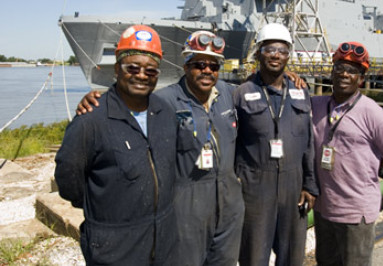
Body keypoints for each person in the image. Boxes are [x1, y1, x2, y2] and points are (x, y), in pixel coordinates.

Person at [77, 30, 245, 266]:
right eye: (199, 64)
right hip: (186, 207)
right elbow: (125, 106)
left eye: (213, 66)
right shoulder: (163, 101)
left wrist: (289, 76)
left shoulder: (228, 94)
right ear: (185, 66)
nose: (207, 70)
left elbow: (261, 86)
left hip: (229, 206)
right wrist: (94, 101)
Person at [55, 25, 177, 265]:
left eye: (150, 71)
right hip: (115, 246)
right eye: (132, 67)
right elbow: (68, 177)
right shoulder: (90, 120)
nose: (141, 75)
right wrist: (99, 202)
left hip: (163, 241)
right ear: (117, 70)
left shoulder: (165, 113)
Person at [311, 41, 383, 266]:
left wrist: (368, 167)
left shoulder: (372, 112)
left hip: (356, 213)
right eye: (339, 68)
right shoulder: (315, 105)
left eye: (353, 71)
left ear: (361, 78)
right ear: (331, 73)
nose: (344, 74)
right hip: (324, 209)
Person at [233, 23, 319, 266]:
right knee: (253, 256)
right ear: (259, 52)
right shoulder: (240, 94)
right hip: (255, 187)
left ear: (288, 55)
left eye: (282, 50)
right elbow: (232, 143)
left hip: (294, 186)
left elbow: (309, 143)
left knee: (292, 255)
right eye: (270, 49)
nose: (276, 55)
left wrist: (310, 185)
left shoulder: (301, 92)